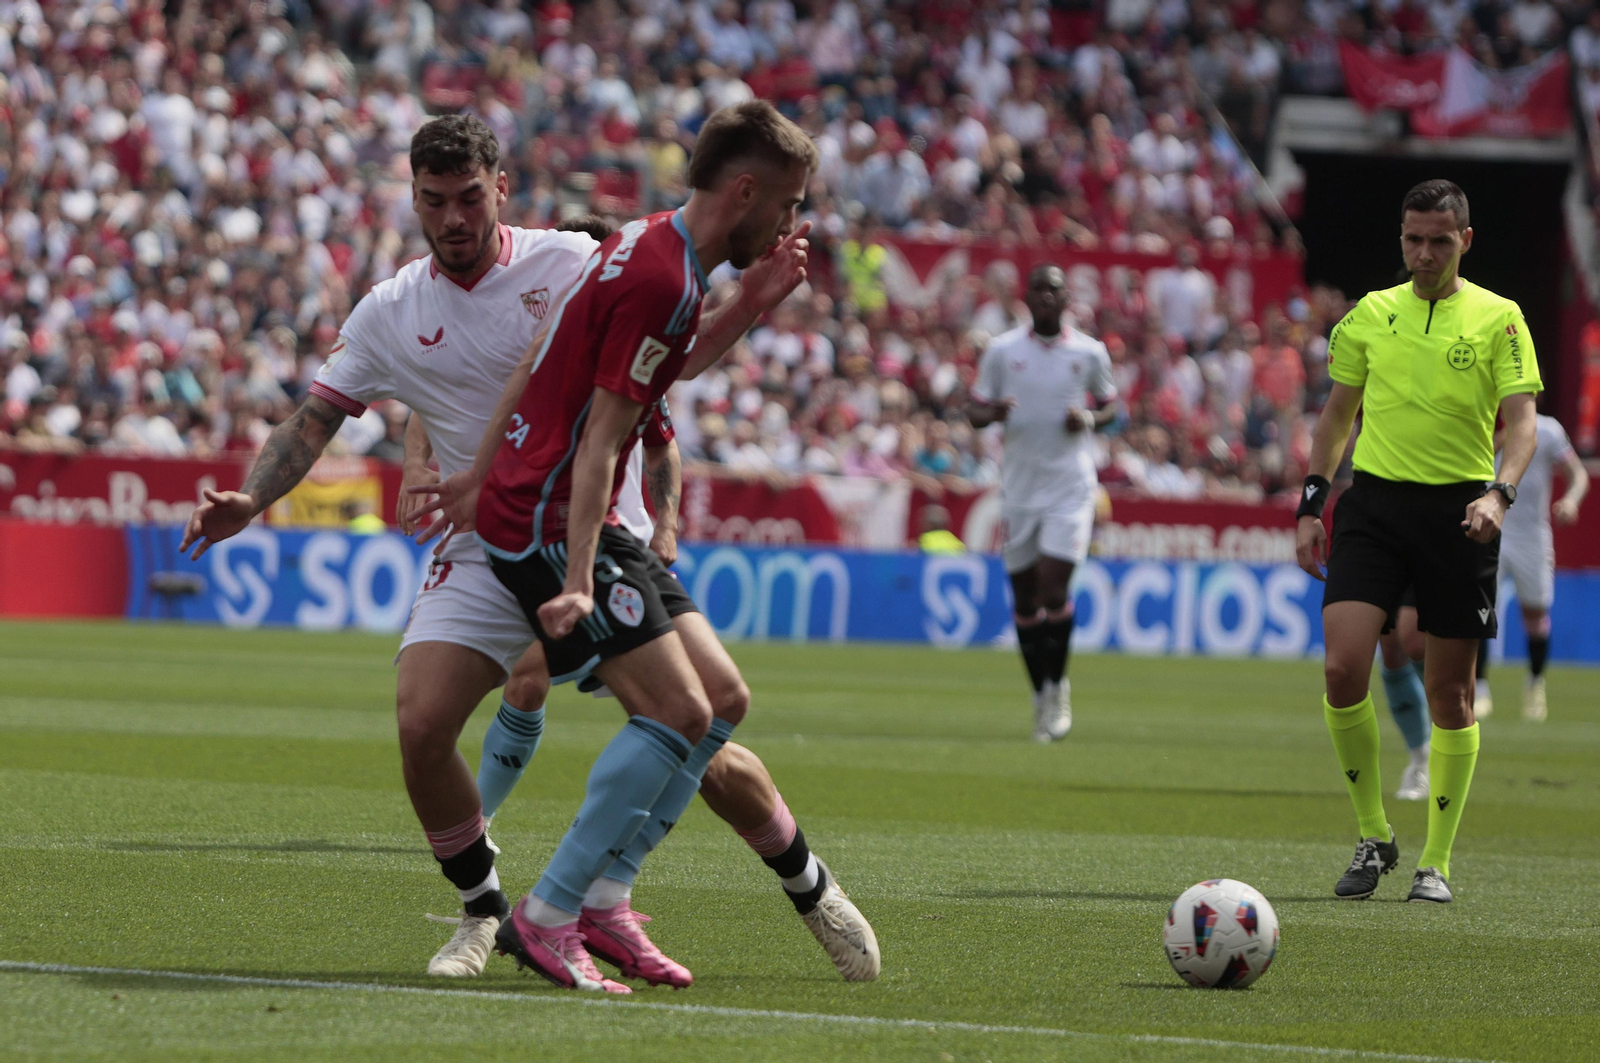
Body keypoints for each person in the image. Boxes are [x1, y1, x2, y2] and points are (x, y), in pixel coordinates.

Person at [180, 115, 872, 985]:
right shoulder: (392, 310)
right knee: (424, 723)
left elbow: (654, 384)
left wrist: (654, 519)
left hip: (583, 523)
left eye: (469, 197)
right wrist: (255, 495)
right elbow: (315, 419)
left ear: (500, 188)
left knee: (704, 719)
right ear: (416, 201)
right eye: (434, 202)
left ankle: (758, 887)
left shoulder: (575, 258)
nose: (453, 218)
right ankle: (488, 911)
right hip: (492, 537)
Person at [415, 101, 878, 993]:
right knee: (680, 715)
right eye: (785, 206)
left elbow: (668, 367)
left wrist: (753, 300)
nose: (789, 224)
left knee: (724, 698)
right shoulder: (661, 274)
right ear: (744, 191)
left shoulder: (656, 244)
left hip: (558, 501)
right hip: (548, 513)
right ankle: (550, 915)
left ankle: (605, 898)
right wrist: (580, 578)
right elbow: (598, 443)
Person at [1296, 180, 1541, 904]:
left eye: (1439, 239)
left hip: (1458, 511)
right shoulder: (1370, 314)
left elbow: (1521, 423)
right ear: (1400, 239)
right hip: (1371, 503)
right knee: (1343, 668)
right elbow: (1338, 415)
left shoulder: (1501, 318)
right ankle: (1374, 835)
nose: (1424, 252)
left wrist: (1500, 493)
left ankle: (1435, 860)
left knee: (1451, 694)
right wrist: (1313, 500)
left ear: (1465, 240)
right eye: (1412, 239)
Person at [967, 264, 1117, 743]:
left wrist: (1090, 418)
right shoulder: (1002, 351)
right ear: (1027, 298)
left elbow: (1113, 407)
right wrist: (991, 413)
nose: (1047, 297)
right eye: (1039, 290)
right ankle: (1041, 695)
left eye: (1055, 289)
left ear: (1067, 297)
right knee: (1026, 602)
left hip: (1070, 489)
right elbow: (973, 410)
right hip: (1018, 490)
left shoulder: (1089, 352)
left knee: (1054, 591)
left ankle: (1059, 688)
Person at [1494, 413, 1589, 721]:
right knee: (1479, 613)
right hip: (1491, 529)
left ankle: (1535, 683)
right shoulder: (1480, 423)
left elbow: (1578, 474)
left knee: (1535, 613)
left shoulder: (1548, 430)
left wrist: (1571, 501)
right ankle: (1478, 686)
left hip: (1532, 536)